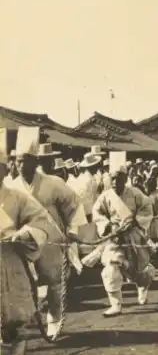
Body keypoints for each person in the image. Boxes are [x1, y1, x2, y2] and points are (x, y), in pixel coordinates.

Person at [11, 127, 87, 338]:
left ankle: (54, 320)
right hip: (23, 242)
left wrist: (72, 231)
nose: (21, 165)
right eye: (17, 161)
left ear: (35, 162)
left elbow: (74, 206)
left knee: (54, 283)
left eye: (25, 161)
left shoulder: (53, 183)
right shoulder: (10, 186)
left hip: (51, 241)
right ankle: (27, 321)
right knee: (24, 284)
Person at [0, 128, 53, 355]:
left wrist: (23, 234)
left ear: (4, 170)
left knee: (16, 324)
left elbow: (42, 221)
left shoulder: (18, 197)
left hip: (10, 262)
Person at [90, 152, 155, 317]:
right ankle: (116, 305)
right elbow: (97, 213)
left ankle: (142, 287)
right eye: (112, 178)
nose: (114, 182)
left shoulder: (135, 193)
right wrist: (108, 225)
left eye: (118, 179)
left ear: (125, 179)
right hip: (115, 237)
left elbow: (147, 207)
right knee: (111, 268)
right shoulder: (105, 196)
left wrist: (136, 220)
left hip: (134, 236)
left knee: (140, 270)